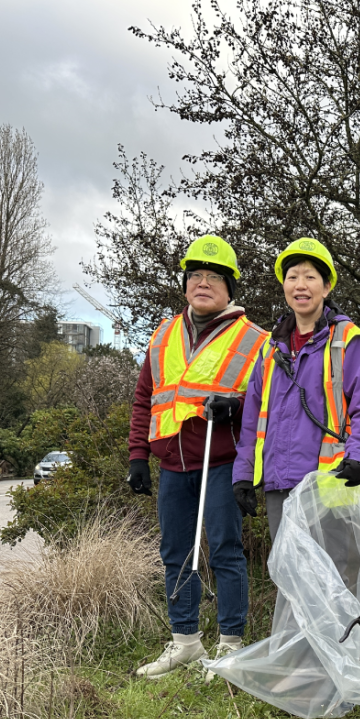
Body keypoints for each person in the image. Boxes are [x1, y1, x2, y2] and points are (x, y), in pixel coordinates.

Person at [128, 235, 269, 679]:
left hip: (223, 462)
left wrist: (236, 407)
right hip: (173, 465)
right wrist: (137, 456)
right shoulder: (163, 335)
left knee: (225, 551)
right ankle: (185, 642)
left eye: (214, 277)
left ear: (230, 288)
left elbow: (269, 404)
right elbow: (145, 399)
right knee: (176, 553)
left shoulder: (255, 340)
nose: (202, 283)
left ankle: (231, 645)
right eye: (195, 276)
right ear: (186, 284)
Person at [231, 238, 360, 555]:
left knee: (336, 574)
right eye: (293, 277)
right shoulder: (269, 348)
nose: (300, 285)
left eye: (310, 277)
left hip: (332, 484)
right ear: (284, 286)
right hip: (279, 483)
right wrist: (243, 474)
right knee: (290, 574)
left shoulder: (347, 339)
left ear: (326, 287)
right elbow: (252, 419)